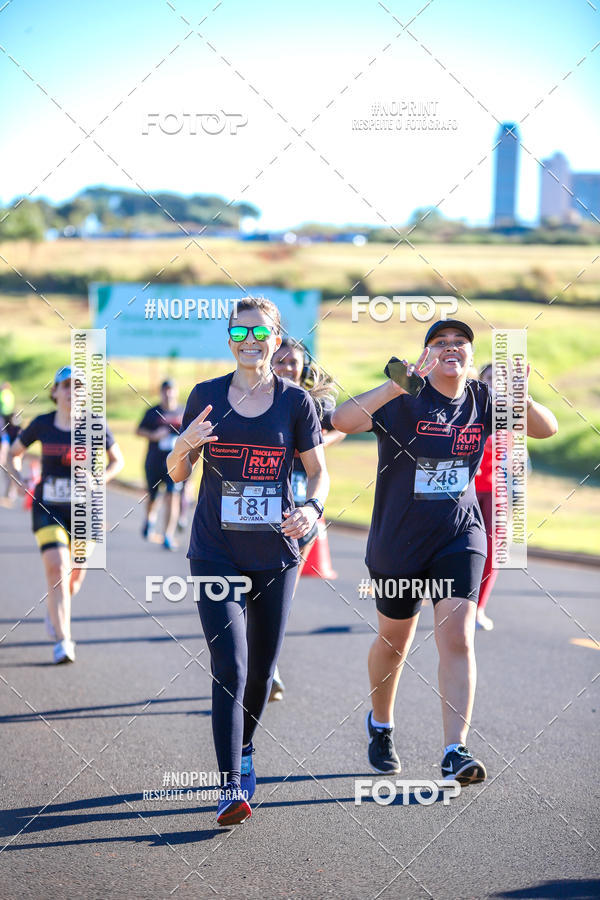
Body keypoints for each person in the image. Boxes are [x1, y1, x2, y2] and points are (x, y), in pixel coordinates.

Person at [332, 320, 558, 785]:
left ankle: (455, 750)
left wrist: (521, 395)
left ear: (471, 356)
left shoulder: (483, 399)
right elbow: (341, 420)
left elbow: (546, 429)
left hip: (460, 535)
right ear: (426, 354)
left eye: (460, 343)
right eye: (440, 343)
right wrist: (394, 385)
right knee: (395, 641)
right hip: (399, 540)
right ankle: (380, 724)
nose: (451, 348)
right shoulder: (404, 398)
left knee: (458, 637)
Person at [167, 297, 329, 827]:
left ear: (276, 338)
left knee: (260, 670)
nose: (250, 342)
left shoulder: (295, 401)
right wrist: (183, 445)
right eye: (239, 333)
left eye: (260, 333)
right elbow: (177, 474)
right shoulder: (206, 396)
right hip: (215, 550)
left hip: (275, 552)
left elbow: (318, 472)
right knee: (230, 667)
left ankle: (245, 747)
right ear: (229, 339)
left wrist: (311, 507)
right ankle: (229, 786)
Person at [10, 366, 124, 664]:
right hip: (48, 507)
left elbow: (118, 461)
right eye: (66, 386)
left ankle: (55, 610)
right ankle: (64, 640)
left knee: (74, 577)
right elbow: (14, 452)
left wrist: (98, 479)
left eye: (79, 387)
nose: (73, 392)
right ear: (55, 391)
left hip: (87, 511)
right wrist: (20, 477)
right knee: (57, 567)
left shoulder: (95, 424)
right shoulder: (42, 423)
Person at [268, 337, 345, 700]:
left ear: (304, 368)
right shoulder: (257, 399)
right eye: (280, 361)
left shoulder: (315, 403)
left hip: (301, 512)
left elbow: (342, 425)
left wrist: (316, 444)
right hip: (261, 508)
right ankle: (255, 665)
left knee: (281, 597)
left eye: (293, 362)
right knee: (255, 594)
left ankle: (269, 668)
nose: (286, 367)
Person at [136, 379, 184, 550]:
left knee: (173, 495)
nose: (168, 394)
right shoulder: (152, 412)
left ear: (176, 391)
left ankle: (168, 535)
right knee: (153, 496)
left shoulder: (183, 411)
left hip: (175, 463)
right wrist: (154, 435)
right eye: (165, 390)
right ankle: (150, 519)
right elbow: (139, 430)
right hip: (154, 462)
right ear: (161, 392)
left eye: (171, 390)